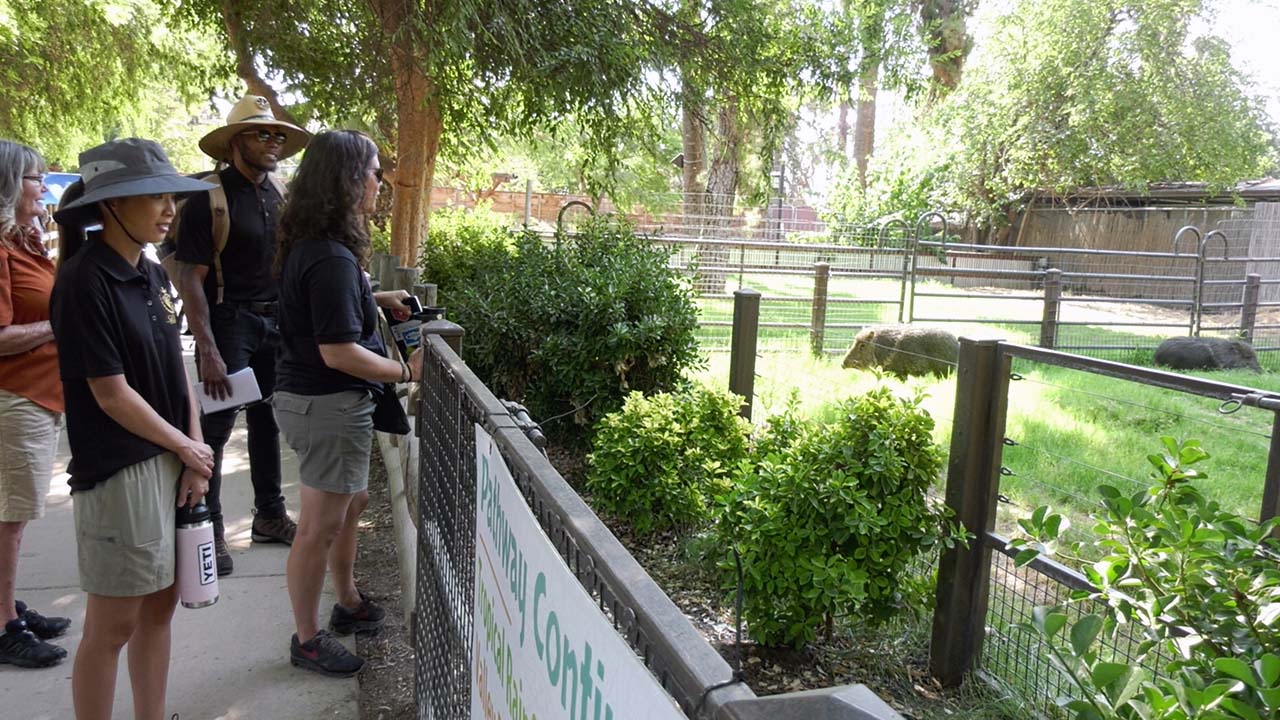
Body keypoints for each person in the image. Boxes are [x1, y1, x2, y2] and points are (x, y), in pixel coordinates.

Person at [50, 138, 216, 720]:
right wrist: (186, 447)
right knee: (114, 622)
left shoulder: (151, 274)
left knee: (160, 608)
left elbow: (178, 369)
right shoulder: (82, 280)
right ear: (111, 204)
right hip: (120, 468)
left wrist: (193, 451)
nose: (169, 207)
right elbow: (110, 394)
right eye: (154, 195)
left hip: (173, 457)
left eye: (171, 195)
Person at [273, 130, 421, 677]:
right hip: (327, 402)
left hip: (314, 400)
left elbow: (331, 300)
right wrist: (405, 370)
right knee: (319, 526)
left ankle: (349, 601)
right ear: (350, 181)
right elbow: (338, 352)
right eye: (375, 171)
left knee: (351, 503)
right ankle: (308, 638)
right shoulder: (330, 258)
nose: (381, 181)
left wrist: (375, 297)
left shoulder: (316, 247)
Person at [174, 95, 310, 576]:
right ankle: (207, 524)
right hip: (229, 322)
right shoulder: (208, 197)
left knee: (267, 421)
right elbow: (190, 276)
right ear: (235, 142)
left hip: (275, 323)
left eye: (277, 135)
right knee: (215, 427)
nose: (272, 142)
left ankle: (269, 516)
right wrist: (206, 348)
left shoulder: (280, 194)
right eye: (260, 133)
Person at [0, 140, 71, 668]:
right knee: (10, 516)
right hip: (15, 395)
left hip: (39, 395)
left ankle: (7, 606)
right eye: (33, 178)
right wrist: (60, 324)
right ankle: (5, 625)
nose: (42, 187)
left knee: (14, 515)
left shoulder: (20, 243)